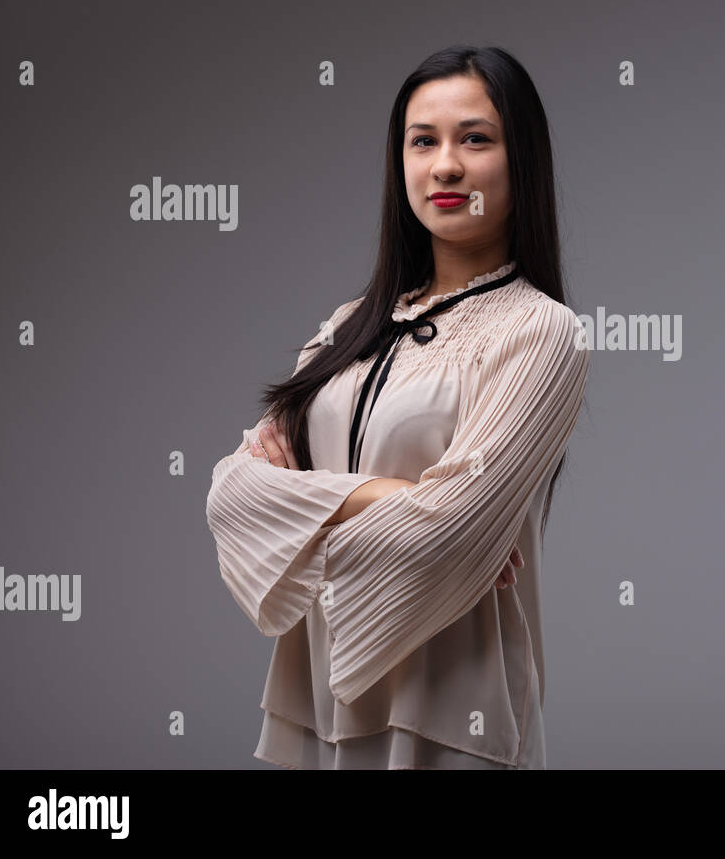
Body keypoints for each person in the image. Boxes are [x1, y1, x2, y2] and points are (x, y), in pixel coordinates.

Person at [205, 45, 591, 769]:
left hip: (452, 709)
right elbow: (232, 494)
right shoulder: (346, 326)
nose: (445, 165)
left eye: (475, 138)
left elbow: (443, 535)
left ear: (522, 159)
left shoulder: (540, 331)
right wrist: (389, 496)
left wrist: (304, 517)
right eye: (423, 141)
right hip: (312, 700)